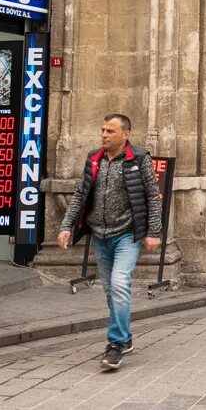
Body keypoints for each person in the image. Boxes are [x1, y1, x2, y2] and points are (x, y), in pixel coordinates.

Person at [57, 114, 162, 371]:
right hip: (99, 234)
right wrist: (66, 227)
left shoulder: (139, 159)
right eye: (103, 130)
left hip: (127, 233)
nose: (104, 135)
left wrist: (154, 232)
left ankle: (115, 345)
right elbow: (80, 194)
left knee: (119, 283)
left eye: (110, 131)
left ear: (125, 135)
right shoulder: (94, 159)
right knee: (110, 290)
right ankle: (125, 338)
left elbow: (152, 196)